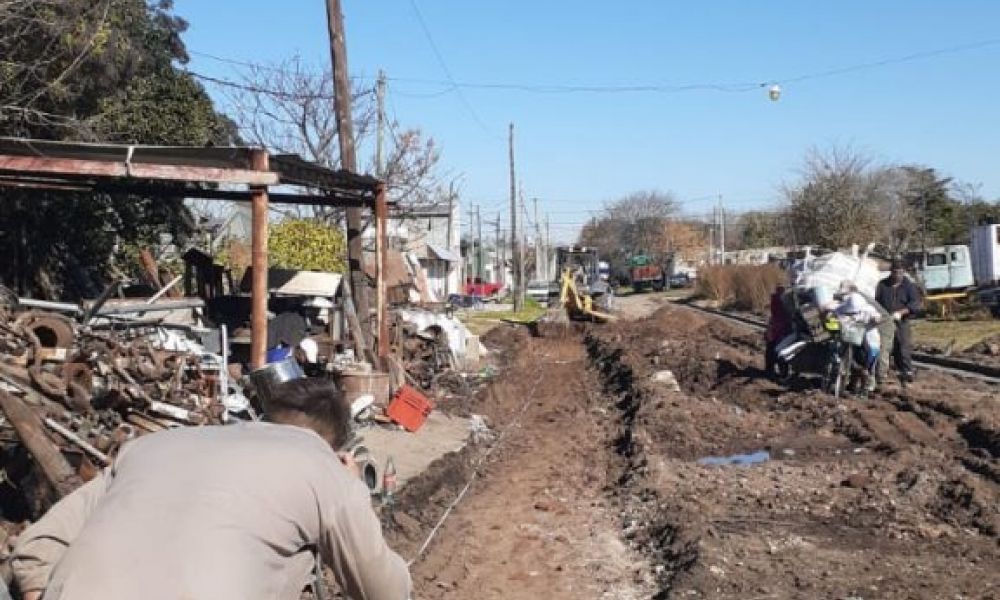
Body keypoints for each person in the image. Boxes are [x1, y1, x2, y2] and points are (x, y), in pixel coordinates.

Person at [10, 378, 410, 600]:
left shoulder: (153, 445)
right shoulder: (323, 467)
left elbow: (36, 546)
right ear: (334, 445)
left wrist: (38, 591)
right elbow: (384, 590)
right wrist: (353, 488)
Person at [833, 282, 886, 392]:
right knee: (848, 357)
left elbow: (878, 317)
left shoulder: (868, 309)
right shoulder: (843, 308)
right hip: (849, 337)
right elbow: (835, 314)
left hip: (867, 338)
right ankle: (850, 382)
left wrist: (875, 320)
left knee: (866, 362)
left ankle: (866, 386)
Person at [876, 260, 922, 382]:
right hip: (885, 320)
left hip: (902, 320)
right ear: (891, 272)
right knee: (885, 347)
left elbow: (915, 304)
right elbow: (877, 302)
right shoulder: (883, 285)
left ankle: (906, 370)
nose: (897, 276)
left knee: (903, 345)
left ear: (903, 273)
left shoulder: (909, 286)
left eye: (900, 273)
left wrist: (901, 313)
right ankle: (884, 371)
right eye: (895, 273)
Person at [765, 285, 791, 378]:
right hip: (780, 328)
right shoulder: (783, 300)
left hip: (778, 327)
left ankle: (771, 371)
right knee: (778, 350)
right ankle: (778, 373)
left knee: (773, 349)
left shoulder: (776, 299)